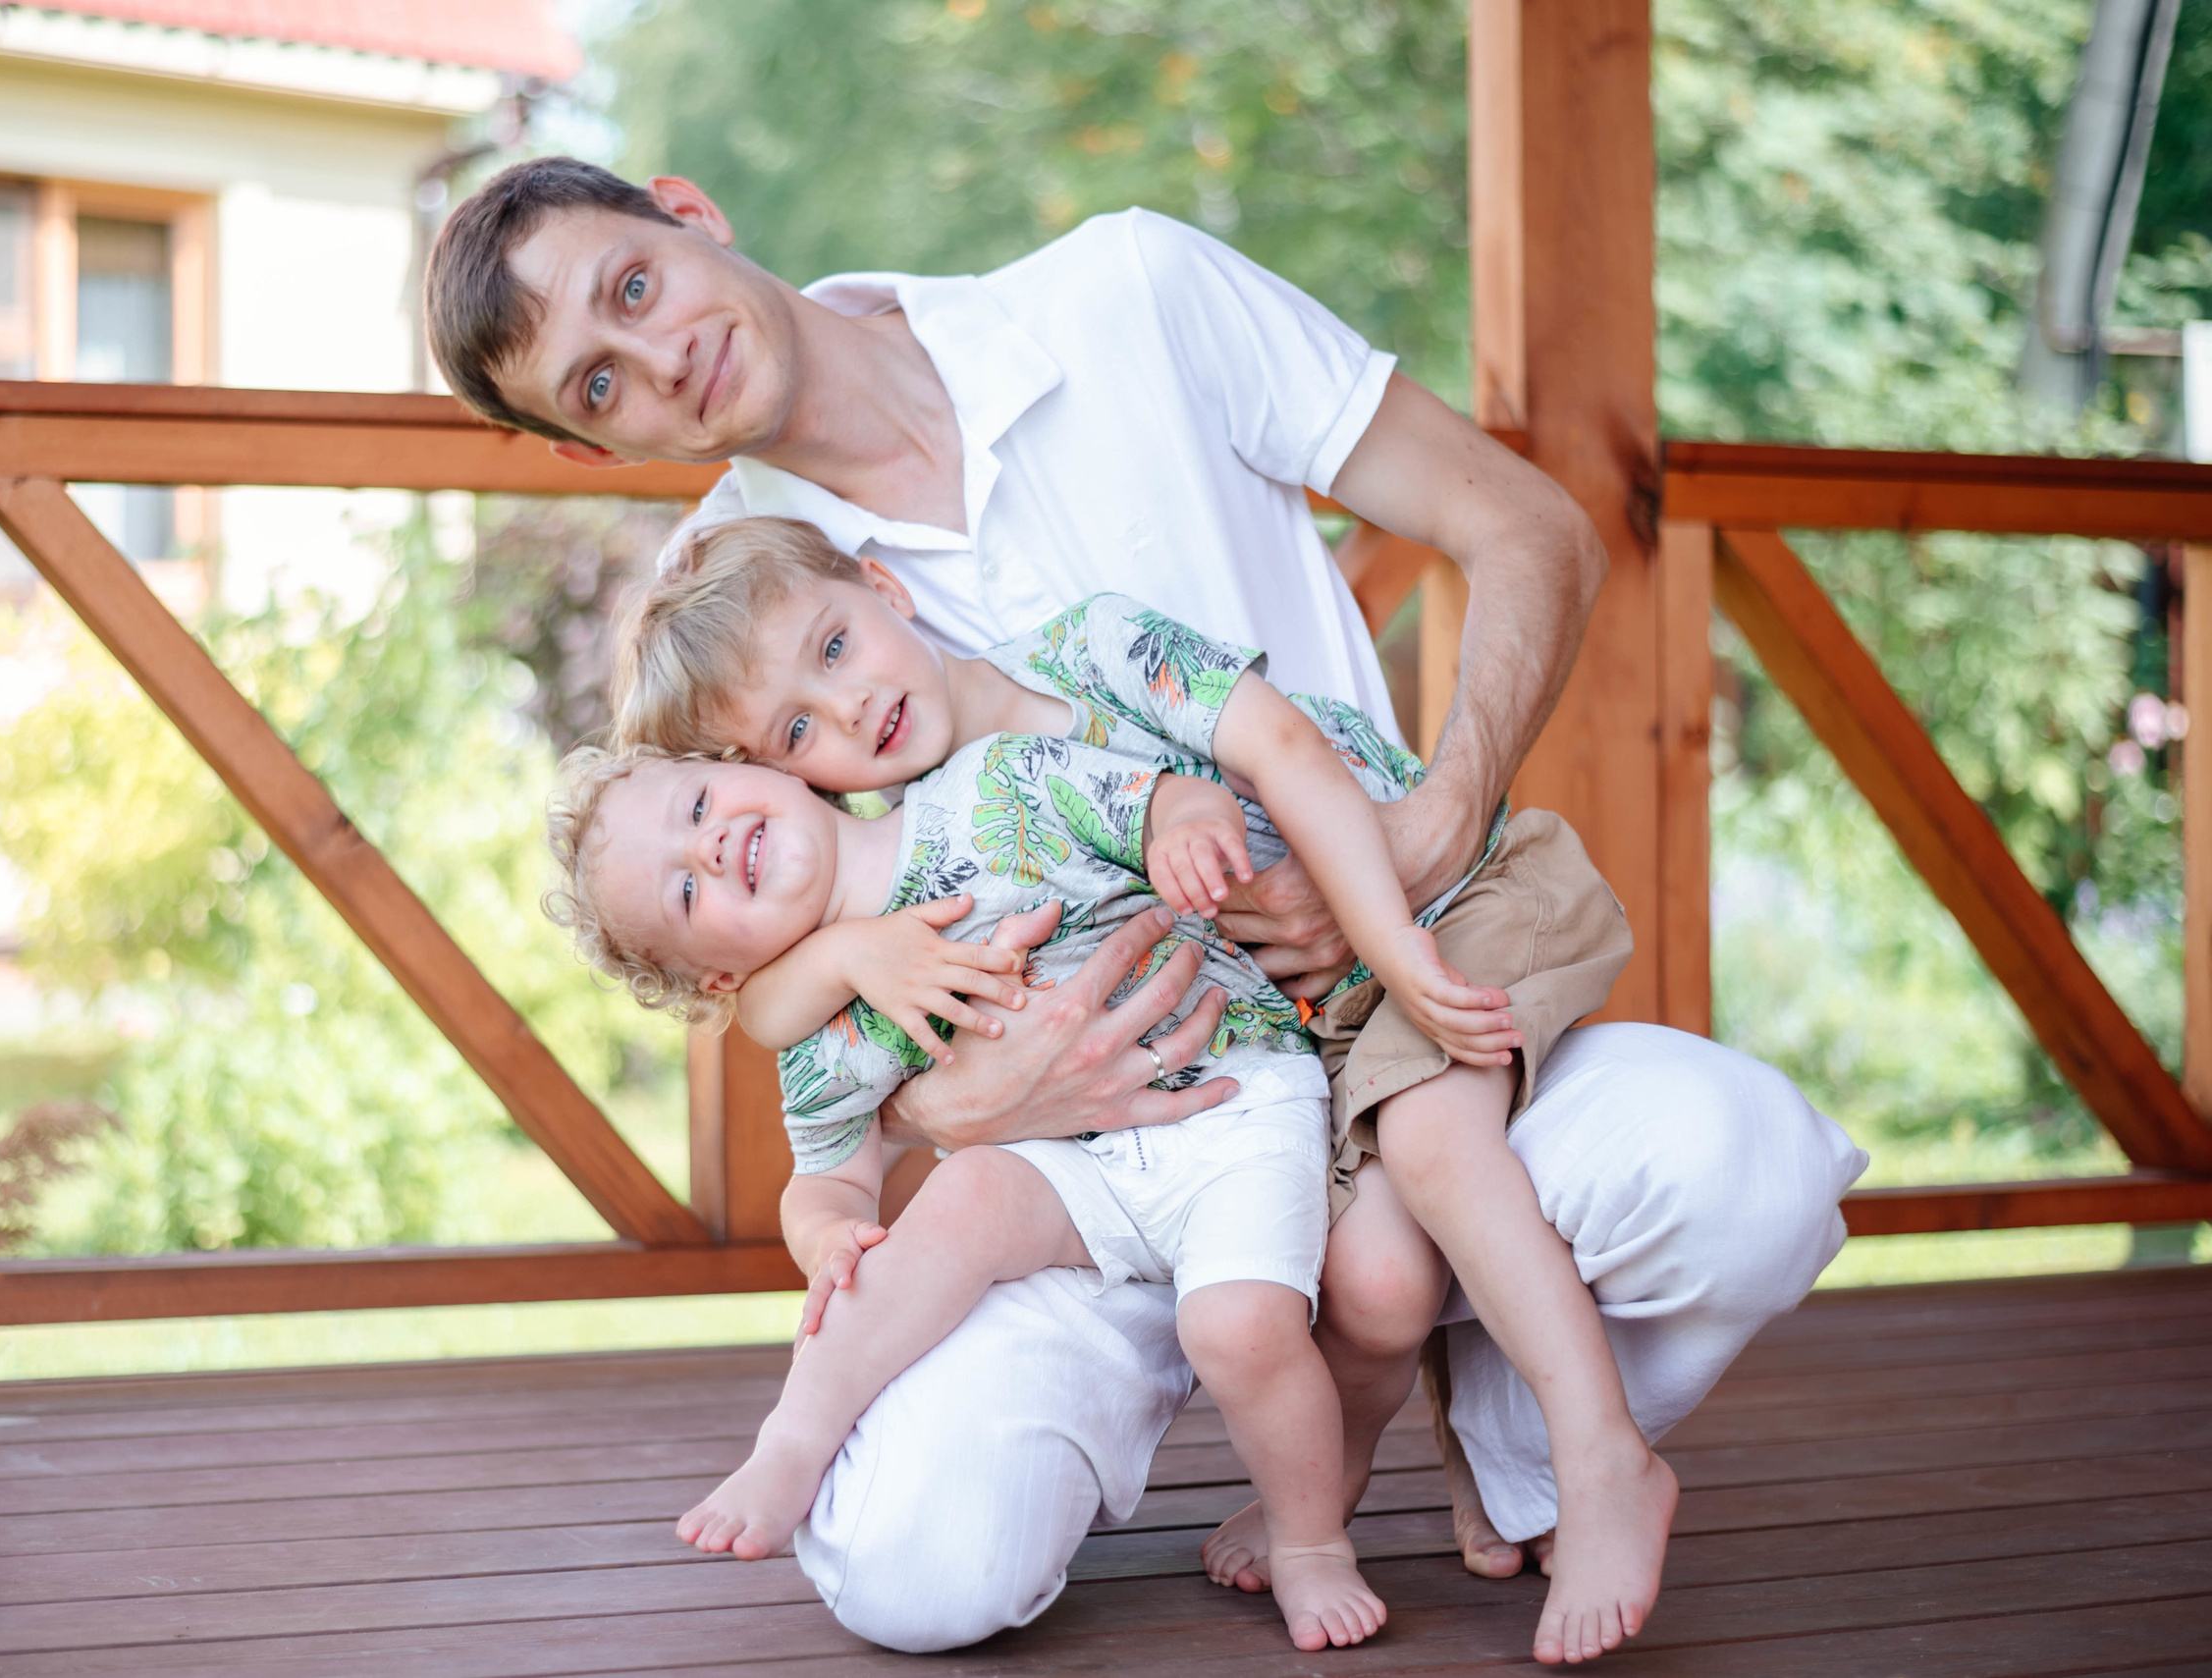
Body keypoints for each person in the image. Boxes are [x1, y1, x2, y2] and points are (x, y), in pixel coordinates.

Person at [425, 157, 1868, 1656]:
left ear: (687, 212)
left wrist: (1425, 834)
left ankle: (1507, 1430)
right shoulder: (715, 603)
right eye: (599, 385)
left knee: (1747, 1171)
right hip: (1102, 1165)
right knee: (918, 1570)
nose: (658, 358)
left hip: (1391, 1035)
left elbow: (1530, 528)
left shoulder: (1130, 294)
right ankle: (1321, 1373)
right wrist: (963, 1103)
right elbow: (762, 962)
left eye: (636, 286)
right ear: (594, 450)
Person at [608, 514, 1668, 1662]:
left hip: (1433, 899)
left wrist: (1393, 946)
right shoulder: (914, 848)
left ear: (883, 587)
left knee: (1431, 1150)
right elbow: (787, 1020)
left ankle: (1599, 1450)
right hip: (1308, 1031)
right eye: (801, 727)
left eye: (832, 650)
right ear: (791, 770)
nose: (850, 707)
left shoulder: (1090, 658)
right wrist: (828, 996)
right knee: (1374, 1283)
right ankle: (1329, 1498)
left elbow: (1280, 762)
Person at [549, 733, 1391, 1651]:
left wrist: (1186, 821)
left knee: (1238, 1326)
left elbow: (1147, 801)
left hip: (1235, 1098)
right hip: (1074, 1169)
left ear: (760, 764)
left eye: (700, 803)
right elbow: (826, 1176)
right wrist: (830, 1233)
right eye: (684, 891)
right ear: (718, 975)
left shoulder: (991, 785)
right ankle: (792, 1443)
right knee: (959, 1202)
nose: (706, 846)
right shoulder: (828, 1028)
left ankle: (1310, 1539)